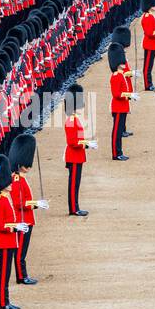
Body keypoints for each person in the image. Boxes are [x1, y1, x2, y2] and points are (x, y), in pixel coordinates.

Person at [8, 133, 47, 284]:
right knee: (20, 252)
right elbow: (19, 204)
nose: (28, 166)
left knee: (22, 251)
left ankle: (22, 274)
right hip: (22, 220)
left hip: (27, 219)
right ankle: (21, 276)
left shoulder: (19, 179)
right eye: (26, 164)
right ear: (19, 163)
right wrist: (36, 204)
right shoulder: (16, 180)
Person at [0, 154, 23, 309]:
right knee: (3, 274)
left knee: (6, 274)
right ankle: (3, 303)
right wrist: (15, 228)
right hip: (4, 241)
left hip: (9, 241)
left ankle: (6, 300)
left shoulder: (4, 198)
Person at [62, 83, 95, 217]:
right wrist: (86, 143)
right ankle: (73, 208)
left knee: (76, 183)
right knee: (74, 183)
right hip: (74, 155)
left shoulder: (74, 119)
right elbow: (72, 142)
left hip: (78, 155)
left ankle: (75, 206)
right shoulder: (71, 120)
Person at [108, 42, 135, 161]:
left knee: (119, 132)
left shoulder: (120, 75)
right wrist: (129, 95)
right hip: (118, 107)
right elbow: (116, 94)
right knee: (117, 133)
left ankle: (119, 152)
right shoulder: (115, 76)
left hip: (122, 107)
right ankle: (116, 153)